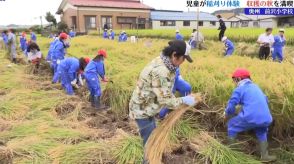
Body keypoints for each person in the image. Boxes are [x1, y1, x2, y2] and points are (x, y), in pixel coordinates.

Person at [129, 40, 202, 146]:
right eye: (183, 58)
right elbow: (165, 100)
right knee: (150, 145)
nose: (183, 62)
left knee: (151, 138)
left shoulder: (165, 61)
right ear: (174, 55)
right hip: (143, 111)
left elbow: (165, 90)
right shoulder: (162, 71)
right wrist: (183, 100)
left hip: (147, 106)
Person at [225, 68, 276, 162]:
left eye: (234, 80)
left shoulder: (239, 89)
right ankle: (265, 156)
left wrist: (227, 113)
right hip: (266, 118)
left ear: (239, 79)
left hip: (251, 117)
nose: (234, 83)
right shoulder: (256, 87)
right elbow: (265, 100)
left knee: (231, 126)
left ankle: (232, 154)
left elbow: (232, 104)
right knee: (261, 131)